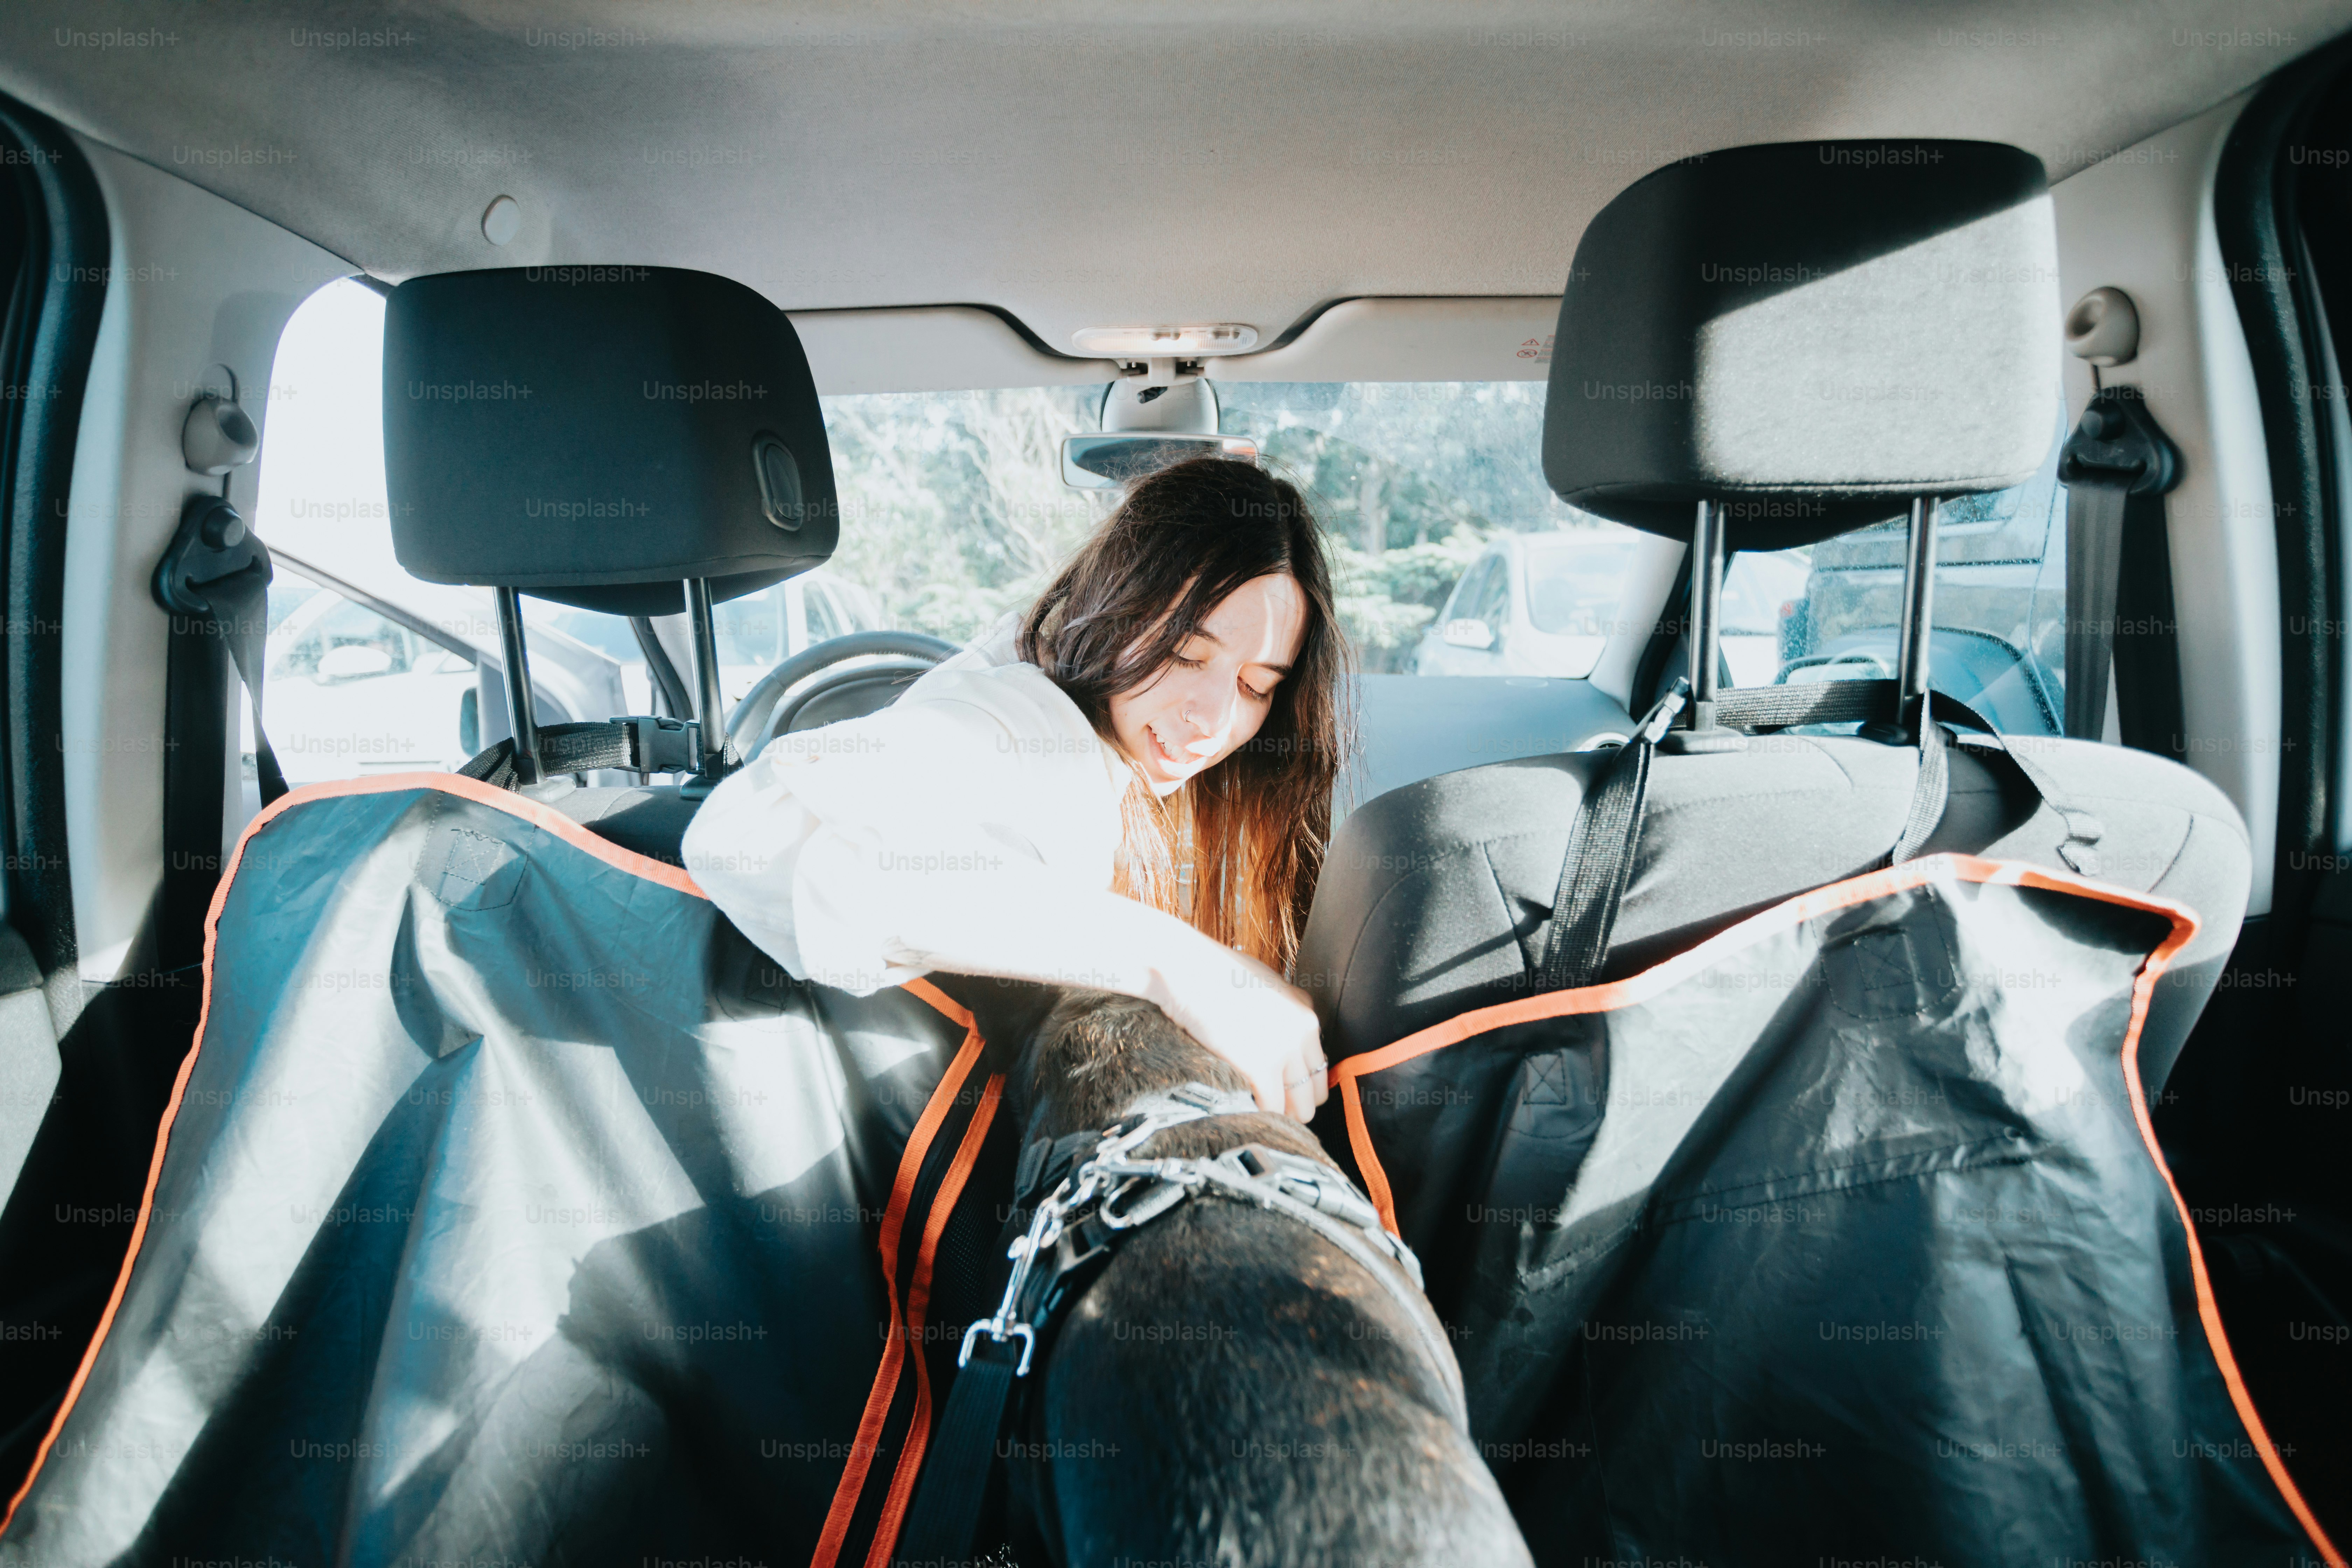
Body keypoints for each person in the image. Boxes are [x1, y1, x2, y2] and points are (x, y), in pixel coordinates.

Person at [682, 457, 1347, 1120]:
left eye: (1256, 685)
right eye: (1185, 655)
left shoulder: (1170, 753)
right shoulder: (1028, 721)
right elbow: (758, 833)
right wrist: (1178, 965)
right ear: (1120, 607)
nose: (1215, 720)